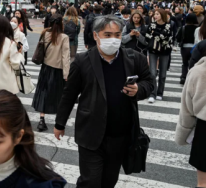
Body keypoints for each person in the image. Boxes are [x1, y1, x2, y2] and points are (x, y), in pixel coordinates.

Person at [54, 15, 154, 188]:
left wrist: (139, 89)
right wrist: (59, 123)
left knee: (109, 180)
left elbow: (150, 82)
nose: (113, 40)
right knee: (90, 181)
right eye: (107, 35)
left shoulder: (134, 58)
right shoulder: (82, 61)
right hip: (90, 133)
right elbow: (69, 94)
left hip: (120, 133)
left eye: (116, 35)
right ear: (96, 36)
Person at [32, 14, 70, 132]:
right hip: (58, 69)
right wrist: (66, 74)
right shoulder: (64, 37)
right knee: (58, 95)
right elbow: (65, 57)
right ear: (61, 23)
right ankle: (58, 121)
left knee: (44, 93)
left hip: (45, 68)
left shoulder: (45, 33)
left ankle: (41, 120)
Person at [175, 56, 206, 188]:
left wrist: (183, 134)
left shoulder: (198, 71)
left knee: (203, 183)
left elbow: (187, 109)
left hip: (204, 131)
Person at [145, 9, 173, 104]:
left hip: (165, 51)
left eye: (157, 14)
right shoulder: (151, 25)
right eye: (154, 14)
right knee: (152, 73)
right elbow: (147, 36)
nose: (155, 16)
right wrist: (159, 36)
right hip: (153, 50)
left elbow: (167, 39)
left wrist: (156, 35)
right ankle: (153, 93)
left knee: (163, 74)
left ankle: (160, 93)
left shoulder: (169, 25)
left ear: (162, 15)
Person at [177, 14, 198, 85]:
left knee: (185, 63)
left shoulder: (183, 28)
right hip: (195, 48)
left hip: (185, 48)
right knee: (193, 64)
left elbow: (178, 38)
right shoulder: (197, 28)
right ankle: (192, 78)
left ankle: (183, 77)